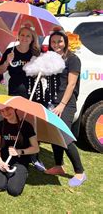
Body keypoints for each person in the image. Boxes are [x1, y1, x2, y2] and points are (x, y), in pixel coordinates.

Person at [0, 26, 45, 172]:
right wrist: (7, 61)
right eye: (22, 35)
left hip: (31, 93)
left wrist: (40, 67)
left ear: (32, 39)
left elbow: (42, 74)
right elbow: (0, 71)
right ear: (18, 36)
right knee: (14, 121)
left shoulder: (36, 53)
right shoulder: (10, 51)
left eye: (28, 36)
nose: (25, 38)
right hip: (14, 93)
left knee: (30, 125)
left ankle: (33, 155)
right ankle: (14, 149)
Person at [43, 30, 87, 187]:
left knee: (63, 135)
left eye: (59, 42)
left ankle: (80, 172)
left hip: (65, 103)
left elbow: (71, 84)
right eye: (53, 42)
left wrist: (62, 105)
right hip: (51, 101)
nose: (56, 45)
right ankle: (58, 165)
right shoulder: (51, 59)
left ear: (66, 42)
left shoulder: (73, 59)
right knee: (54, 134)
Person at [0, 104, 39, 196]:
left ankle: (21, 173)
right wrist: (0, 162)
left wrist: (19, 151)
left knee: (14, 190)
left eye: (8, 108)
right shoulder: (0, 125)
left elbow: (36, 148)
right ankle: (11, 174)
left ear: (14, 108)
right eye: (2, 111)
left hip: (21, 160)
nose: (5, 112)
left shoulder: (26, 126)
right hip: (5, 159)